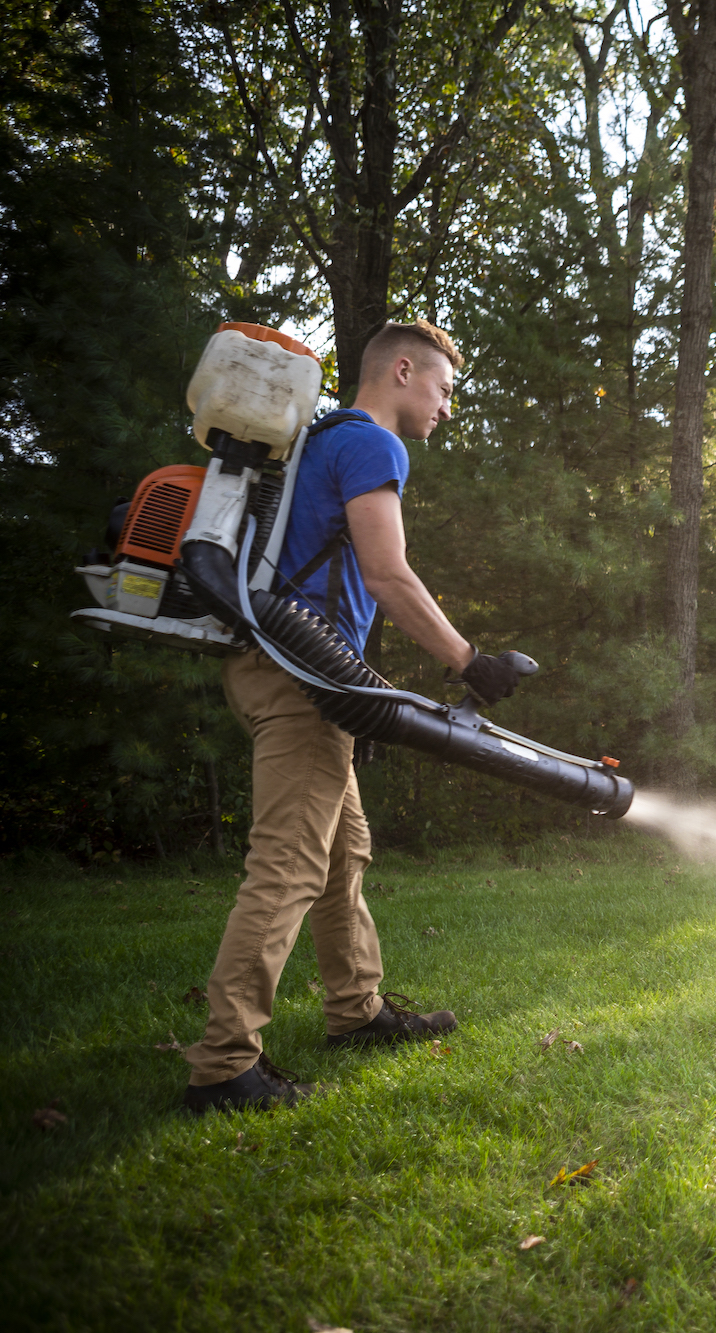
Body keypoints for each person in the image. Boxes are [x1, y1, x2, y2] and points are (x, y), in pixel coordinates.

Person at [183, 319, 525, 1115]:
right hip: (300, 675)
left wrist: (359, 697)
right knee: (289, 866)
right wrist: (470, 659)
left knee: (343, 854)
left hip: (287, 670)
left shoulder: (319, 441)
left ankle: (357, 1011)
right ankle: (223, 1065)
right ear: (401, 371)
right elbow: (388, 573)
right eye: (442, 389)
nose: (446, 407)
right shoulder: (373, 444)